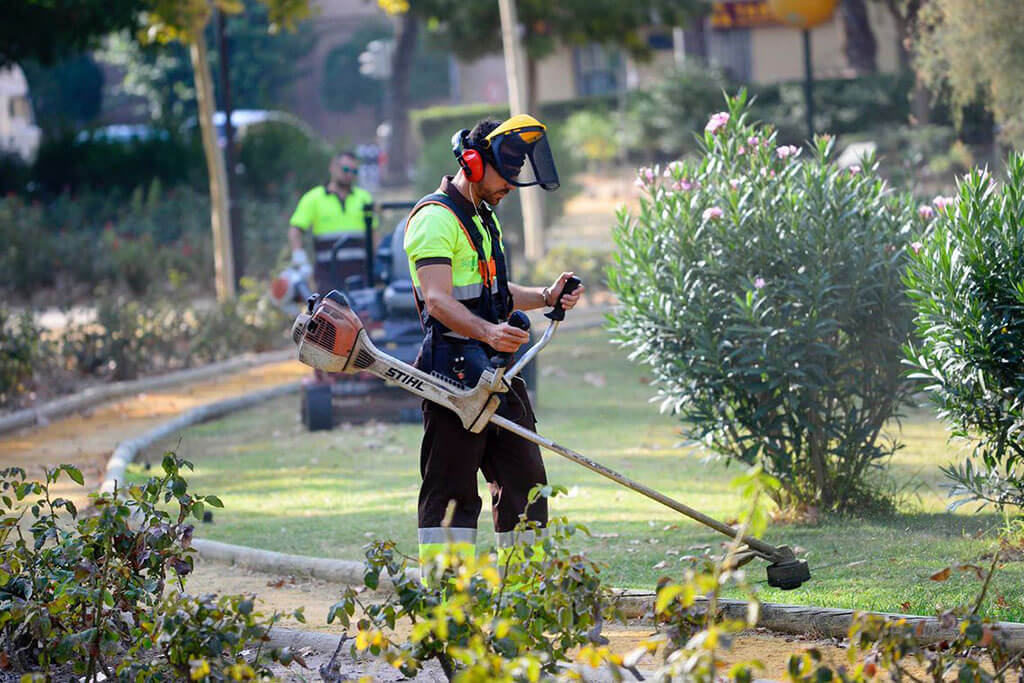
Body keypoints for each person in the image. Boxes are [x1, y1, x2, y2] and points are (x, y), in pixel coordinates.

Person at [403, 115, 583, 573]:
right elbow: (439, 300)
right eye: (506, 176)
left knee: (525, 480)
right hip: (452, 378)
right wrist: (485, 332)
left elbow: (495, 295)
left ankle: (526, 598)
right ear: (472, 163)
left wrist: (545, 297)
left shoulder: (485, 219)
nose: (511, 186)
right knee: (452, 494)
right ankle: (446, 611)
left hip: (500, 372)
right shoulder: (434, 220)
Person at [288, 151, 375, 293]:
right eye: (345, 169)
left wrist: (376, 263)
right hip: (327, 277)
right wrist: (299, 258)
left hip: (360, 276)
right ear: (332, 168)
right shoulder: (313, 198)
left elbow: (373, 234)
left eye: (354, 171)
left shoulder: (364, 198)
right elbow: (295, 230)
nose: (350, 174)